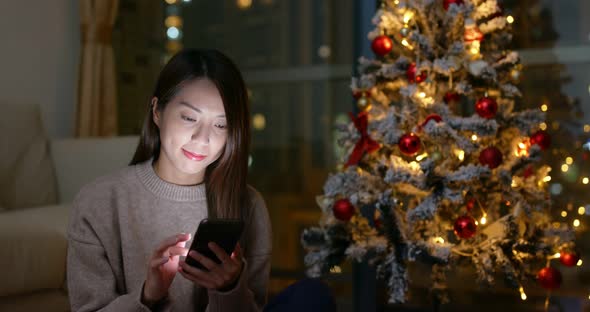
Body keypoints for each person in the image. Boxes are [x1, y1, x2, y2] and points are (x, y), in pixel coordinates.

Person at [67, 49, 272, 311]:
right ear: (157, 112)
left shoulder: (250, 205)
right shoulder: (98, 201)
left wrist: (229, 290)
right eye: (189, 118)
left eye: (221, 125)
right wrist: (148, 296)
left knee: (311, 295)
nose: (202, 138)